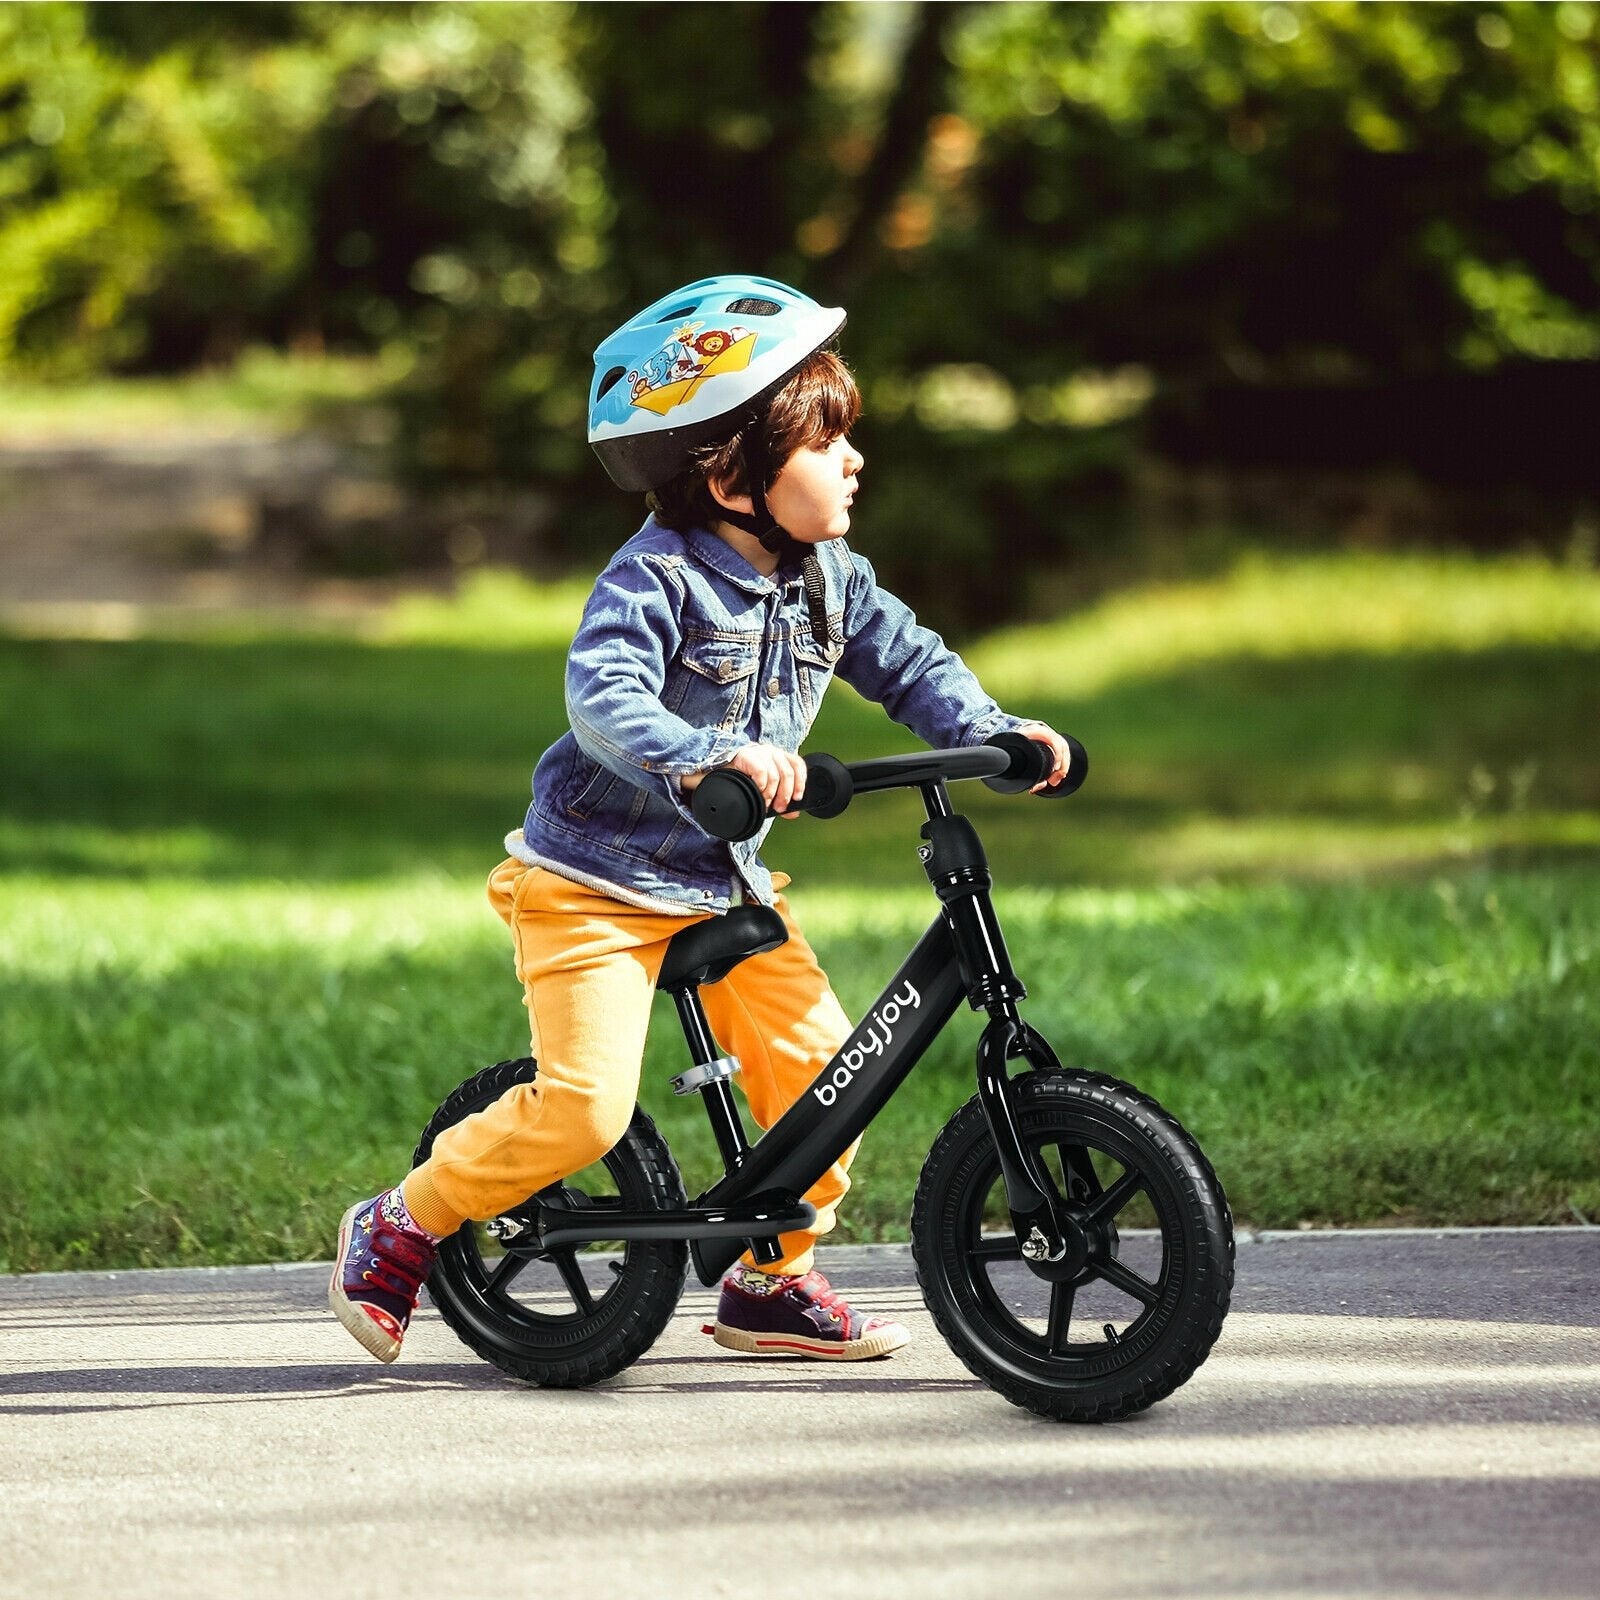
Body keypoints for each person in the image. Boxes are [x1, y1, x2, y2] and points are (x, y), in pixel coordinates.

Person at [329, 275, 1075, 1366]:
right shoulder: (655, 581)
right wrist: (709, 755)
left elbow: (907, 661)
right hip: (591, 882)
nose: (854, 459)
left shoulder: (831, 579)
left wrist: (997, 731)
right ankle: (406, 1218)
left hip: (723, 883)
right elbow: (605, 699)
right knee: (584, 1112)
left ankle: (771, 1280)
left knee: (829, 1076)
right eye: (827, 443)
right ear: (728, 469)